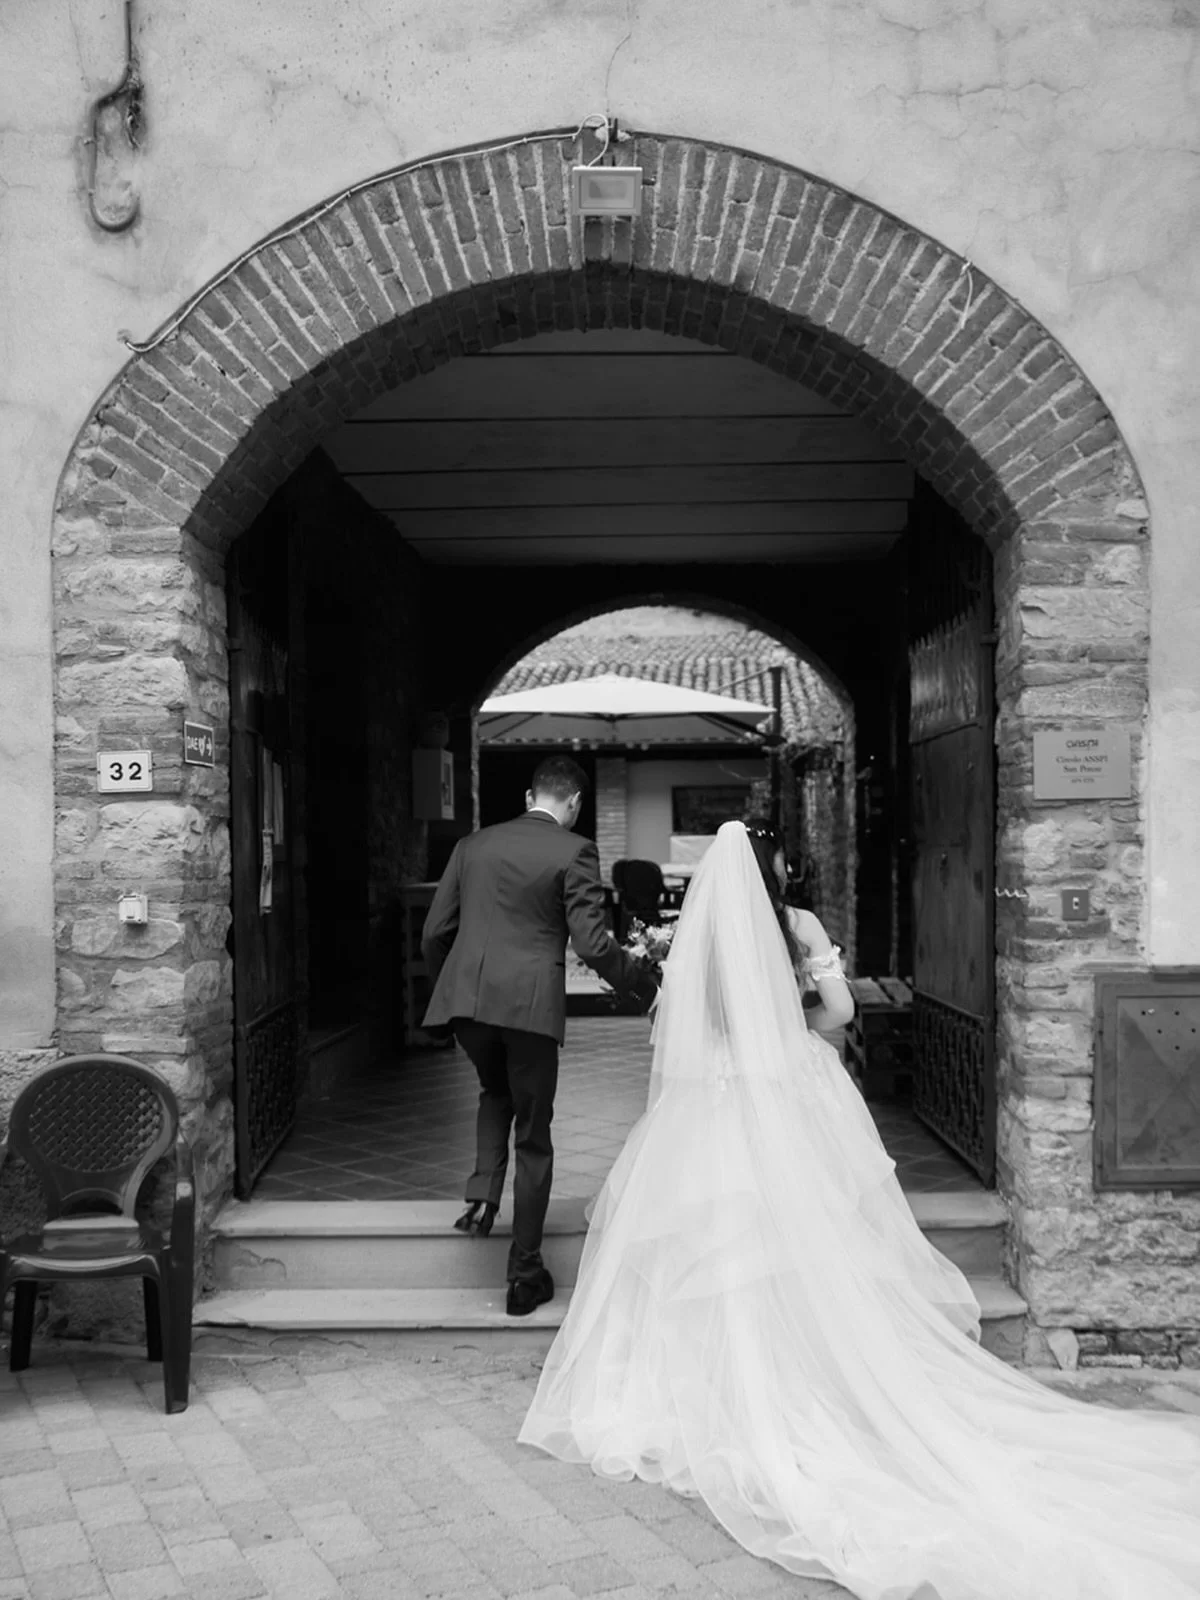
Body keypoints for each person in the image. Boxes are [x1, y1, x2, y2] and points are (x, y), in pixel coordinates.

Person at [519, 818, 1200, 1600]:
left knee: (712, 1238)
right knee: (805, 1225)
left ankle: (722, 1377)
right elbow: (840, 1011)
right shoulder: (800, 924)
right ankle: (815, 1362)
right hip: (786, 1096)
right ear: (774, 870)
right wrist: (787, 1030)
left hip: (707, 1108)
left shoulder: (692, 934)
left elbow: (677, 1025)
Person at [421, 756, 657, 1318]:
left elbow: (435, 932)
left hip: (470, 1005)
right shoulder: (574, 850)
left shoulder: (471, 846)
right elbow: (593, 945)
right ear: (574, 803)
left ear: (530, 795)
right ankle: (524, 1274)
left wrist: (451, 991)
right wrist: (641, 983)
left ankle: (482, 1196)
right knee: (533, 1133)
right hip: (528, 1009)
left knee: (492, 1091)